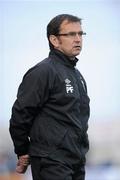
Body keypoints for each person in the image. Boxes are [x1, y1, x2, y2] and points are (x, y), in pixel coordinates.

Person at [9, 14, 90, 180]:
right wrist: (22, 150)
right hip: (51, 161)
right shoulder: (43, 71)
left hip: (76, 161)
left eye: (80, 34)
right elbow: (20, 114)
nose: (78, 39)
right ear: (54, 40)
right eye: (71, 34)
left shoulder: (77, 75)